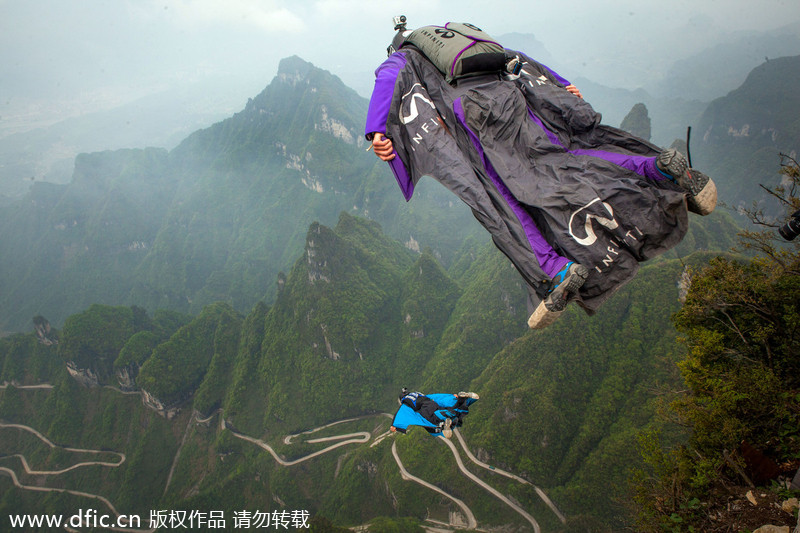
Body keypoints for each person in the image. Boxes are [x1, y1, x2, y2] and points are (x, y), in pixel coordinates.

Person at [365, 19, 717, 329]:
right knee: (566, 156)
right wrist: (559, 85)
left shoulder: (405, 56)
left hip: (474, 117)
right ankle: (660, 169)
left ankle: (555, 270)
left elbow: (387, 79)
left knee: (502, 197)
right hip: (513, 100)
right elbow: (513, 57)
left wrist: (377, 131)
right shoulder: (459, 37)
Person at [390, 388, 479, 439]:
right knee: (445, 408)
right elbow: (437, 396)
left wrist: (394, 425)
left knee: (433, 420)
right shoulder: (419, 395)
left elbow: (400, 413)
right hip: (431, 403)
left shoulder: (405, 403)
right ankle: (462, 400)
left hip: (425, 409)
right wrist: (451, 396)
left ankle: (446, 421)